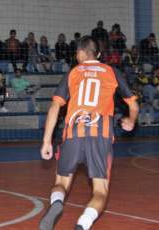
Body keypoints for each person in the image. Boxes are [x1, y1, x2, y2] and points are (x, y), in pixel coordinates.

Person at [39, 36, 139, 230]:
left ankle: (57, 203)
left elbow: (54, 107)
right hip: (100, 137)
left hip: (73, 133)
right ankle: (83, 224)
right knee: (100, 192)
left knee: (61, 183)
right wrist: (131, 120)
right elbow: (133, 105)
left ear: (79, 53)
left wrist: (46, 141)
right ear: (99, 54)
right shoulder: (112, 71)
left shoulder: (73, 73)